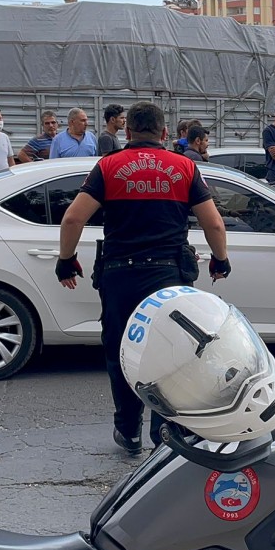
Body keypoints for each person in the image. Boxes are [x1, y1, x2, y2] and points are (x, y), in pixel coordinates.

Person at [55, 101, 230, 457]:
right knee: (171, 353)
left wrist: (66, 261)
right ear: (165, 133)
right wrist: (220, 260)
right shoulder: (185, 167)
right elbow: (213, 222)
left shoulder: (108, 167)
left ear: (128, 132)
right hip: (169, 277)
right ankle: (164, 433)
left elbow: (73, 219)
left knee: (121, 352)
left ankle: (128, 431)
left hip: (120, 277)